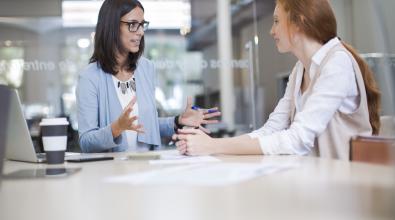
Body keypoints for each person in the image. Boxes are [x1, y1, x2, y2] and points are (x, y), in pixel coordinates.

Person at [174, 0, 381, 160]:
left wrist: (213, 146)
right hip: (317, 180)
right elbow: (271, 130)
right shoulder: (300, 69)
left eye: (276, 21)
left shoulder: (337, 63)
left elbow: (297, 139)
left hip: (345, 189)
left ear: (298, 22)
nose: (271, 31)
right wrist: (210, 144)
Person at [76, 0, 220, 153]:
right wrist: (116, 128)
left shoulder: (145, 68)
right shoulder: (90, 77)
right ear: (111, 26)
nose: (140, 32)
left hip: (148, 166)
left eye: (142, 24)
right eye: (132, 24)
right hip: (113, 171)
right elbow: (86, 142)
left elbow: (147, 125)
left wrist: (178, 121)